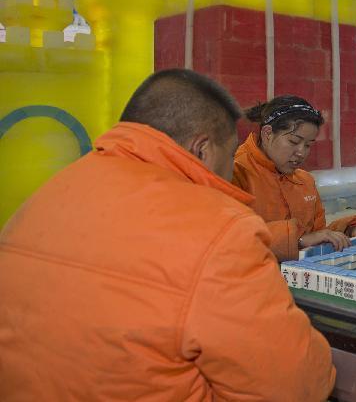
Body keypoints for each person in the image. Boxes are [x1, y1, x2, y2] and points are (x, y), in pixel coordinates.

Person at [0, 69, 335, 401]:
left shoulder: (46, 195)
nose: (231, 170)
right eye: (229, 156)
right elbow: (297, 383)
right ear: (202, 149)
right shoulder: (220, 230)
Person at [233, 95, 356, 262]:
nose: (301, 153)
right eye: (294, 141)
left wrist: (349, 231)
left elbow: (317, 235)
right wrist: (298, 240)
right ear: (267, 133)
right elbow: (231, 238)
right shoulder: (234, 173)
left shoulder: (304, 181)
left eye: (308, 145)